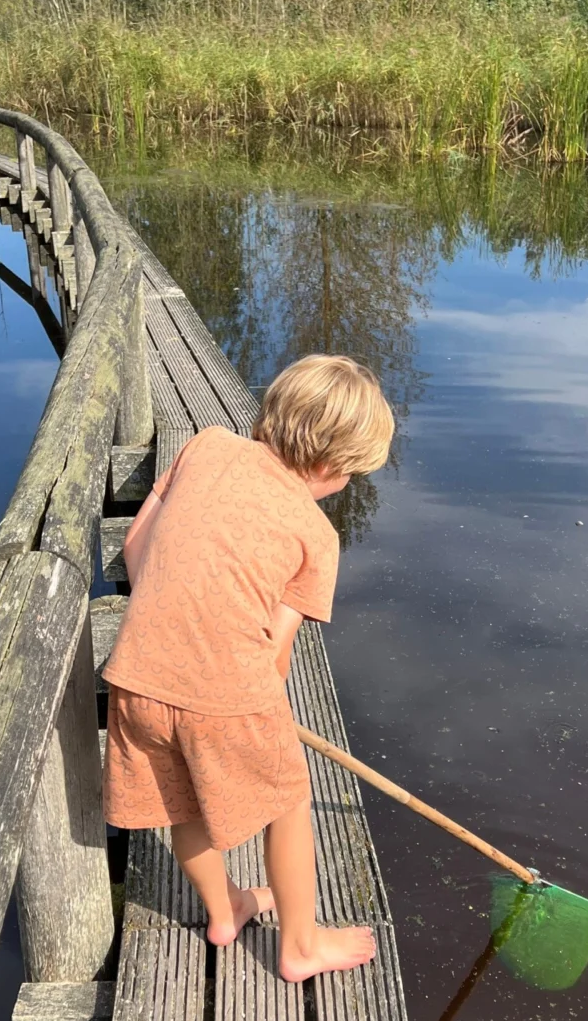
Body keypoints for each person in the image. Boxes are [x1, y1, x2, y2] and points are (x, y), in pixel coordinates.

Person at [102, 354, 394, 981]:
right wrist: (264, 716)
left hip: (135, 675)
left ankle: (225, 908)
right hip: (228, 693)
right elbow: (274, 650)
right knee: (288, 801)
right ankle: (300, 946)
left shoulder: (205, 445)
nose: (344, 485)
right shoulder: (318, 538)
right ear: (327, 467)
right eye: (348, 474)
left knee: (179, 804)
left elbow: (134, 548)